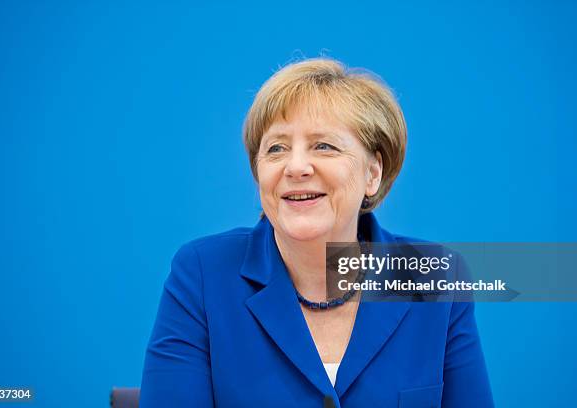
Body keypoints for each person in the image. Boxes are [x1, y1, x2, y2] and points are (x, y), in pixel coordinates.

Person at [139, 58, 494, 407]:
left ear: (373, 173)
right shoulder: (203, 273)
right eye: (276, 148)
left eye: (323, 146)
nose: (295, 167)